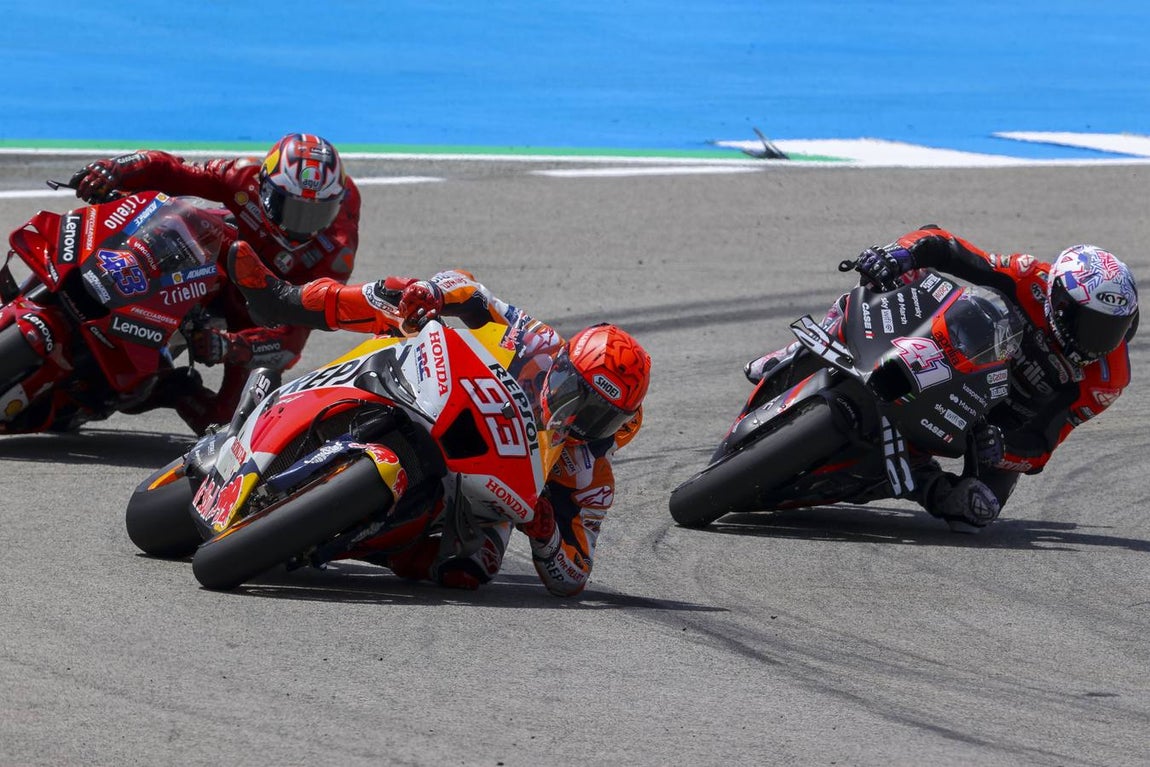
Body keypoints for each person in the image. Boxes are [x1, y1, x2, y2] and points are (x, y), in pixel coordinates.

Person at [226, 241, 652, 595]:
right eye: (580, 397)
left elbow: (574, 574)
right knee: (401, 294)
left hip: (483, 490)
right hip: (441, 395)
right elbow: (472, 290)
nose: (580, 418)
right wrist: (434, 292)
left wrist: (547, 538)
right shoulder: (539, 342)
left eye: (601, 418)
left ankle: (329, 540)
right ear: (564, 366)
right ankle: (279, 300)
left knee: (471, 568)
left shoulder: (592, 475)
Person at [745, 225, 1138, 532]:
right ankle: (801, 350)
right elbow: (945, 246)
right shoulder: (1027, 276)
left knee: (975, 510)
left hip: (996, 421)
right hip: (961, 353)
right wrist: (898, 254)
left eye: (1113, 328)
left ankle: (917, 480)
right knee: (901, 272)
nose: (1099, 341)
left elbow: (1044, 442)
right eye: (1090, 323)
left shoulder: (1108, 378)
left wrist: (1003, 447)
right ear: (1058, 298)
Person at [67, 133, 360, 433]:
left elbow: (292, 339)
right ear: (265, 187)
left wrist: (229, 346)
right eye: (292, 208)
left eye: (317, 214)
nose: (302, 227)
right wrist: (116, 169)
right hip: (216, 251)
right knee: (157, 212)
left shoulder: (336, 253)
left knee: (226, 421)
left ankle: (169, 387)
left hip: (257, 307)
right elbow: (173, 170)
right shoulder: (242, 176)